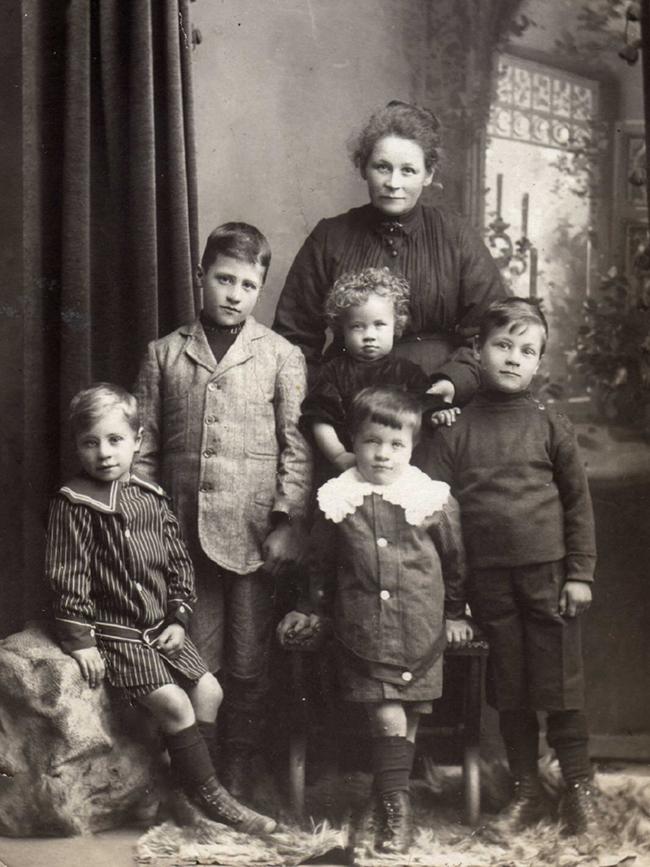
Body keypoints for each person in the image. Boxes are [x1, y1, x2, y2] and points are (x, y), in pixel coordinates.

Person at [45, 383, 276, 835]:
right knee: (173, 703)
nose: (104, 453)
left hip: (158, 627)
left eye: (115, 440)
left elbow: (177, 562)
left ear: (139, 441)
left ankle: (186, 791)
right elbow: (66, 573)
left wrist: (179, 615)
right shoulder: (74, 502)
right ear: (77, 446)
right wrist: (80, 640)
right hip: (116, 633)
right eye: (90, 442)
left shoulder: (151, 495)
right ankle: (215, 801)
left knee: (209, 690)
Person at [133, 223, 312, 801]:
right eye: (223, 279)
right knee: (197, 659)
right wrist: (146, 528)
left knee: (247, 661)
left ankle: (239, 765)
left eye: (248, 284)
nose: (234, 293)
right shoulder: (165, 354)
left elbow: (296, 445)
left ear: (260, 290)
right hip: (181, 538)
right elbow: (145, 449)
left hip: (254, 538)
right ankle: (198, 778)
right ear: (200, 277)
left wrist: (286, 521)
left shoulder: (281, 356)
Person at [428, 298, 598, 836]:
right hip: (487, 582)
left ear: (539, 363)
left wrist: (580, 573)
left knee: (560, 686)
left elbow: (577, 502)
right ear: (477, 351)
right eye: (502, 345)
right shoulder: (454, 429)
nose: (513, 358)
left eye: (527, 350)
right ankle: (526, 789)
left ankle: (578, 788)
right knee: (509, 687)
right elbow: (432, 505)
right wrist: (455, 598)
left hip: (548, 577)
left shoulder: (551, 422)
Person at [278, 386, 473, 855]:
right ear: (353, 441)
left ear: (412, 446)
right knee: (386, 713)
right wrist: (311, 608)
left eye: (396, 445)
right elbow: (320, 563)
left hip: (418, 627)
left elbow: (455, 560)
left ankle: (384, 798)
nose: (383, 454)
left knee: (405, 720)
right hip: (363, 630)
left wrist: (453, 614)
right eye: (371, 443)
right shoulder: (338, 499)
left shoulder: (430, 498)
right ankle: (397, 809)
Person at [273, 100, 508, 407]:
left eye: (408, 170)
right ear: (363, 167)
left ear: (428, 174)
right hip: (350, 403)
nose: (393, 183)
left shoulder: (457, 236)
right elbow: (294, 338)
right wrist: (328, 399)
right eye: (382, 167)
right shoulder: (330, 237)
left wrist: (454, 380)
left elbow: (491, 328)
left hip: (438, 402)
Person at [300, 265, 444, 474]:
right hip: (349, 467)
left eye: (379, 324)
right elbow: (320, 420)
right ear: (343, 330)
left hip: (396, 469)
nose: (369, 335)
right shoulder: (332, 372)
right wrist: (338, 455)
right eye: (358, 326)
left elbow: (427, 412)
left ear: (396, 326)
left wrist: (439, 413)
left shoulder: (407, 372)